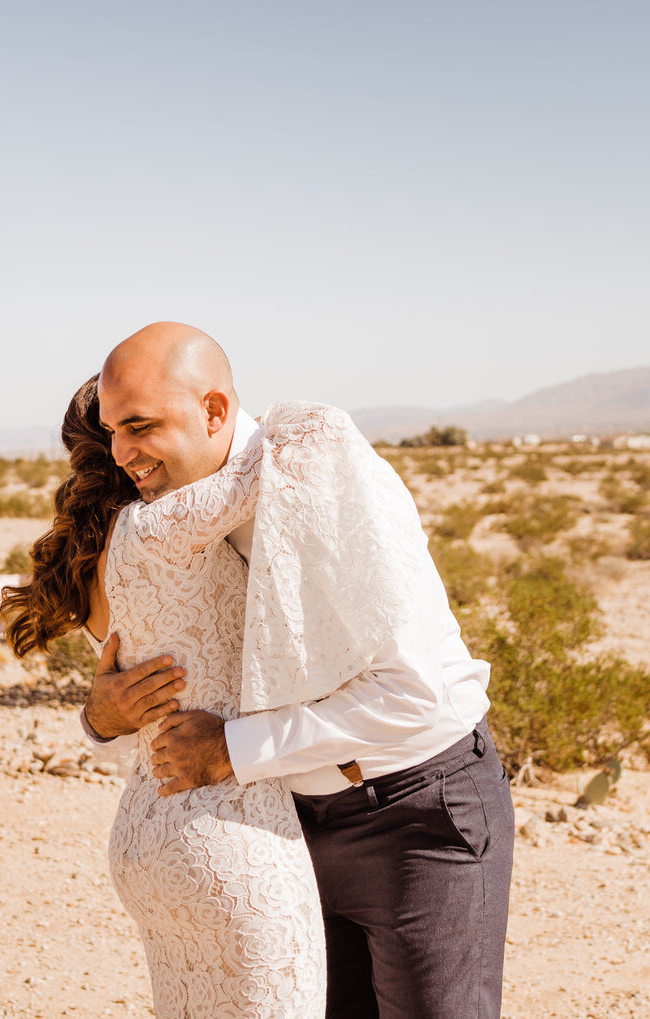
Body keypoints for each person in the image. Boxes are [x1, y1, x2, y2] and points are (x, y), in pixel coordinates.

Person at [88, 322, 515, 1018]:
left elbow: (411, 695)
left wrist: (229, 749)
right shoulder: (188, 510)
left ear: (215, 410)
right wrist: (103, 712)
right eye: (112, 429)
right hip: (296, 824)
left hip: (416, 813)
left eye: (140, 425)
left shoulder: (323, 473)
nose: (122, 452)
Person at [1, 373, 325, 1018]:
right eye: (132, 426)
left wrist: (96, 718)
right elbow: (292, 449)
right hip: (229, 830)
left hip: (145, 827)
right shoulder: (165, 524)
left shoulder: (94, 552)